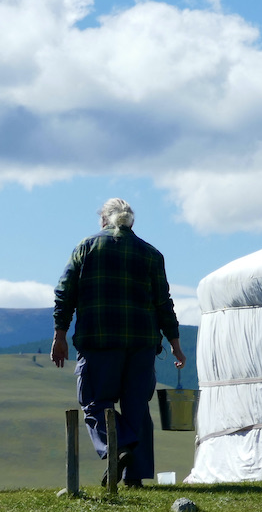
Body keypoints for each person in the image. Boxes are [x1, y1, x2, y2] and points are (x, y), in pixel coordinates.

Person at [52, 198, 184, 487]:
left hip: (99, 340)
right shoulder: (151, 254)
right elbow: (163, 302)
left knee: (94, 401)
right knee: (137, 406)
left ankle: (118, 446)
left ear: (103, 220)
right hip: (142, 344)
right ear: (130, 222)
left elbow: (65, 292)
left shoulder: (86, 248)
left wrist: (59, 335)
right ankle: (134, 477)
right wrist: (174, 342)